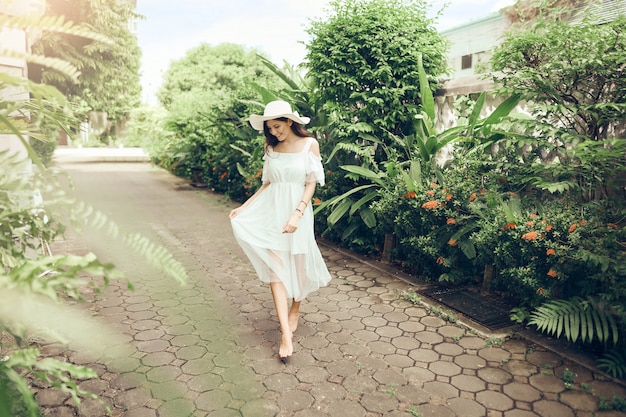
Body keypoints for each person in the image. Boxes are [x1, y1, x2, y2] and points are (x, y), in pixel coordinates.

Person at [229, 100, 332, 359]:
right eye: (269, 129)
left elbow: (311, 183)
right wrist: (244, 206)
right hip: (272, 211)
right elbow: (267, 184)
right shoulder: (271, 148)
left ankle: (295, 308)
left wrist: (297, 214)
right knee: (277, 270)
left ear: (289, 121)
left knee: (298, 266)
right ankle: (285, 333)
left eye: (277, 126)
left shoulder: (310, 145)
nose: (274, 132)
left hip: (298, 211)